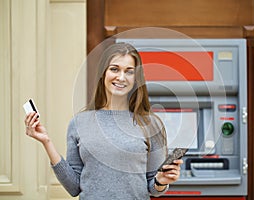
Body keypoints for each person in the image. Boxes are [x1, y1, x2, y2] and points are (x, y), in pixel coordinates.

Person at [24, 42, 183, 200]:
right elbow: (74, 187)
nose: (121, 77)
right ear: (103, 73)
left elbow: (154, 189)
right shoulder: (79, 123)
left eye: (129, 72)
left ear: (136, 78)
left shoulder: (151, 124)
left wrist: (161, 181)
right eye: (114, 69)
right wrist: (47, 142)